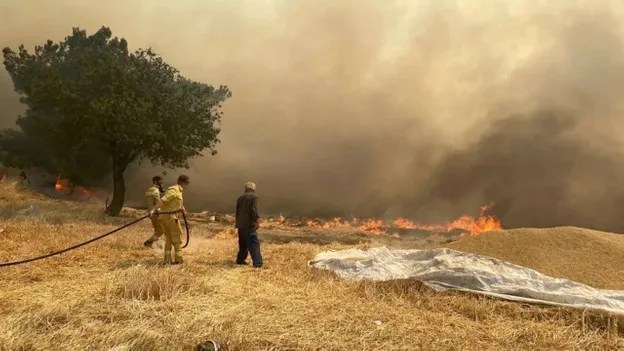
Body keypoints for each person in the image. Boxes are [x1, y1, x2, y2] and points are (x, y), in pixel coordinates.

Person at [149, 174, 190, 264]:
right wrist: (153, 209)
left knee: (169, 239)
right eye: (187, 183)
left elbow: (172, 202)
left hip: (165, 217)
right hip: (170, 218)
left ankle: (167, 260)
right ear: (184, 183)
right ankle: (178, 260)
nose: (187, 186)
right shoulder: (175, 190)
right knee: (177, 238)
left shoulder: (177, 191)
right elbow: (163, 200)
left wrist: (181, 207)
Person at [235, 181, 263, 268]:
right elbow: (254, 209)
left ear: (245, 189)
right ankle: (257, 263)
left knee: (243, 244)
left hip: (241, 225)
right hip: (249, 225)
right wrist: (257, 220)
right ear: (253, 189)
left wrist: (236, 224)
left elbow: (237, 212)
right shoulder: (254, 197)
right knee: (254, 243)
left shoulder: (239, 198)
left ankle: (240, 260)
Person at [143, 176, 165, 248]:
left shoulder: (149, 189)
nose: (161, 184)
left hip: (151, 213)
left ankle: (155, 244)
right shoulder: (155, 190)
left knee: (157, 230)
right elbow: (158, 202)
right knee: (161, 230)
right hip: (156, 213)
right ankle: (148, 242)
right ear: (156, 182)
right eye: (160, 182)